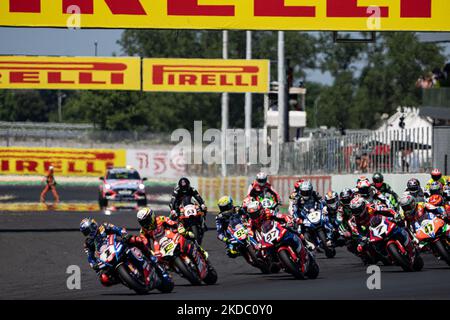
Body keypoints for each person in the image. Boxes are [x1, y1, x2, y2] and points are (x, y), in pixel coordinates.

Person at [80, 217, 170, 287]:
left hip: (117, 245)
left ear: (94, 225)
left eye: (89, 229)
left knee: (136, 240)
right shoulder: (88, 243)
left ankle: (151, 257)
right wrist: (94, 265)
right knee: (104, 279)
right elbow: (90, 257)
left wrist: (124, 234)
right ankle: (125, 279)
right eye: (86, 232)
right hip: (106, 257)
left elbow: (118, 229)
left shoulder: (104, 227)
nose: (89, 233)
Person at [134, 207, 209, 260]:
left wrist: (180, 228)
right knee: (156, 259)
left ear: (152, 216)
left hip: (169, 234)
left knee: (189, 235)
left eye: (146, 221)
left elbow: (174, 223)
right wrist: (150, 252)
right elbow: (146, 244)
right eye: (143, 222)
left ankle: (201, 251)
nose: (145, 224)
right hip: (158, 244)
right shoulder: (143, 231)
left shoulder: (161, 219)